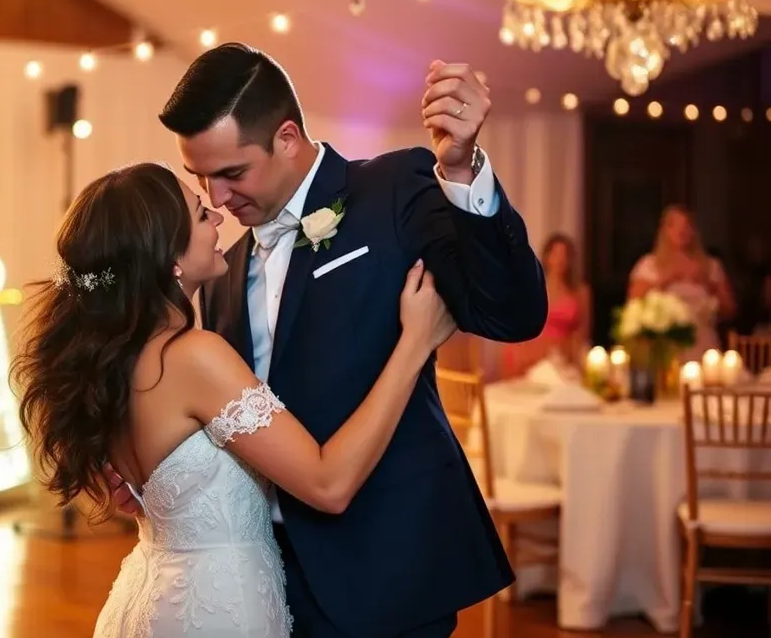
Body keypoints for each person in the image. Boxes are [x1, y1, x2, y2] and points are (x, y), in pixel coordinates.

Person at [110, 43, 549, 637]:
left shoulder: (393, 187)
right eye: (201, 178)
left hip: (387, 567)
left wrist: (463, 171)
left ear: (287, 137)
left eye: (232, 173)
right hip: (263, 580)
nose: (216, 198)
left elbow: (511, 314)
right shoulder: (220, 271)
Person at [10, 162, 457, 637]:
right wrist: (414, 344)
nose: (219, 218)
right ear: (170, 257)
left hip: (147, 597)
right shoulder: (193, 356)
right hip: (214, 611)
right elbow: (328, 484)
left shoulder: (113, 361)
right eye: (202, 214)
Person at [628, 204, 736, 362]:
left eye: (687, 225)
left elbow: (730, 310)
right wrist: (665, 280)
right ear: (665, 230)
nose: (681, 231)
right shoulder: (648, 265)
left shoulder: (711, 266)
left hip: (704, 348)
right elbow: (633, 304)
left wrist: (706, 282)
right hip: (663, 348)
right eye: (675, 225)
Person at [503, 233, 591, 376]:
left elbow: (583, 331)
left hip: (563, 357)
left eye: (564, 254)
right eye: (555, 254)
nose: (560, 259)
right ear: (546, 256)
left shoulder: (580, 291)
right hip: (534, 355)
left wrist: (572, 356)